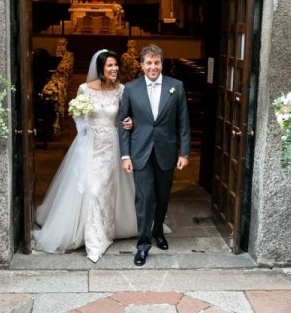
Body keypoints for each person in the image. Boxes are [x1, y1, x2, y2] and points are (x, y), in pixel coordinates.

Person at [32, 50, 138, 262]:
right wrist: (80, 119)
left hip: (111, 146)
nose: (114, 69)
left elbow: (125, 117)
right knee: (91, 188)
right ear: (100, 68)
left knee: (106, 189)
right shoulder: (84, 89)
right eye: (110, 65)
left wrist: (130, 122)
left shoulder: (121, 90)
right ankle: (93, 237)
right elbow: (78, 118)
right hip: (89, 144)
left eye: (116, 65)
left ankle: (106, 230)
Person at [118, 44, 190, 266]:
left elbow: (183, 122)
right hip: (140, 152)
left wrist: (184, 152)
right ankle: (143, 245)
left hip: (166, 152)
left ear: (162, 63)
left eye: (156, 62)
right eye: (148, 63)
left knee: (162, 197)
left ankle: (158, 231)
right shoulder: (130, 89)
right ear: (141, 65)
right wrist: (125, 156)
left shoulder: (176, 87)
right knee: (144, 199)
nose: (153, 67)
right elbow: (123, 124)